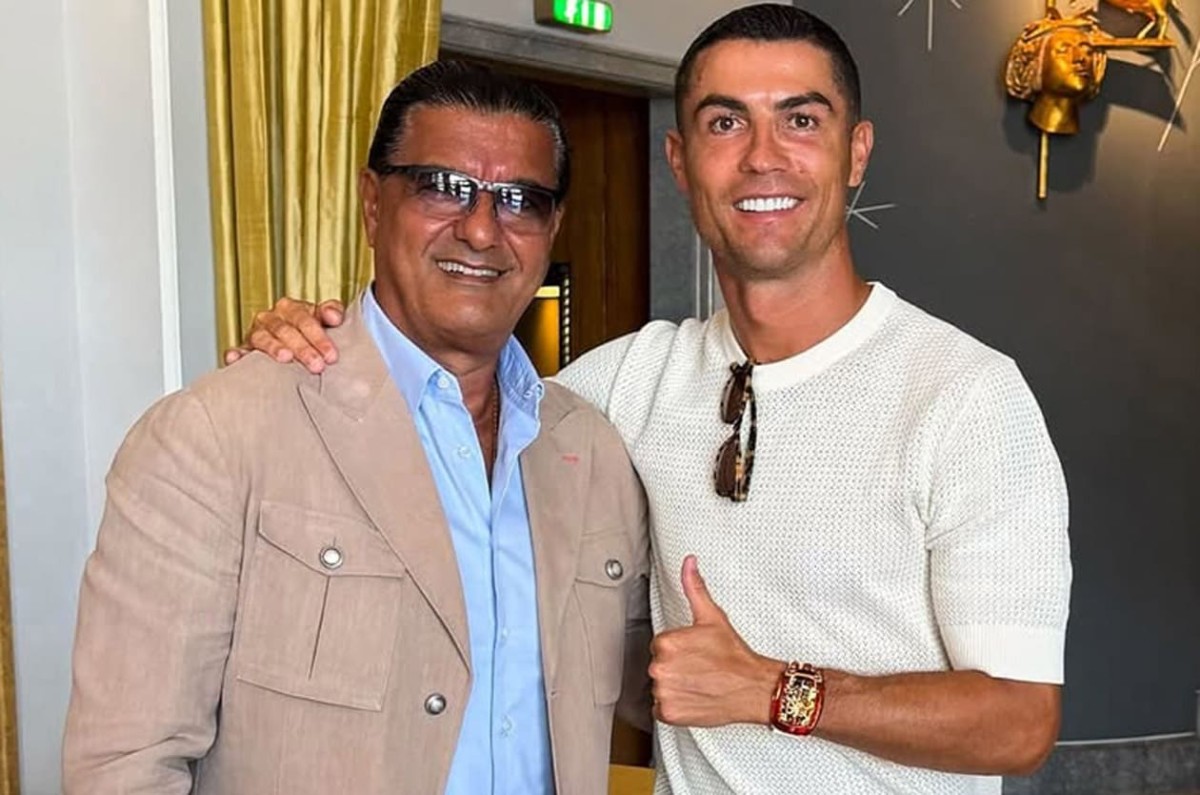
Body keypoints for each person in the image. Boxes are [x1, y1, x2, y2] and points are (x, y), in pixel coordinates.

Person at [232, 5, 1073, 794]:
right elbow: (448, 414)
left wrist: (772, 690)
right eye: (725, 122)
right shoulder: (623, 384)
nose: (763, 156)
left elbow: (1020, 720)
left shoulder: (964, 396)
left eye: (800, 120)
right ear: (680, 161)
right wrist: (320, 341)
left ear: (856, 153)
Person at [62, 61, 651, 795]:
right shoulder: (217, 436)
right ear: (373, 204)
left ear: (552, 227)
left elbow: (659, 681)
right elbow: (123, 767)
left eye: (519, 200)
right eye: (443, 187)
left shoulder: (592, 449)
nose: (480, 230)